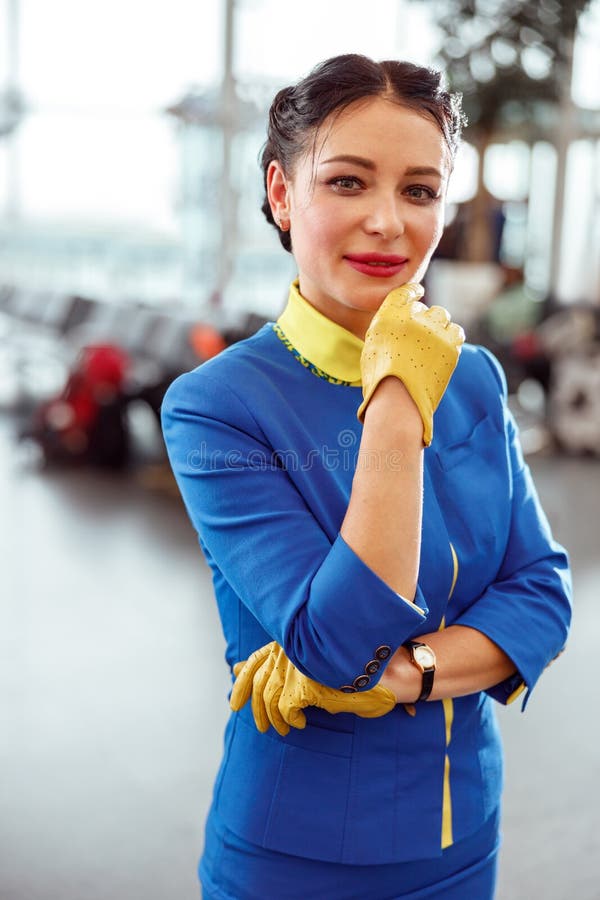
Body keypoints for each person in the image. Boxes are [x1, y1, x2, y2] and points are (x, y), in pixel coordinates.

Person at [161, 54, 572, 900]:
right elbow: (337, 642)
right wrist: (393, 397)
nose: (389, 221)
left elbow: (542, 593)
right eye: (348, 182)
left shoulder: (475, 378)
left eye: (420, 191)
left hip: (463, 837)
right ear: (281, 193)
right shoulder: (216, 406)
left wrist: (404, 672)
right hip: (299, 857)